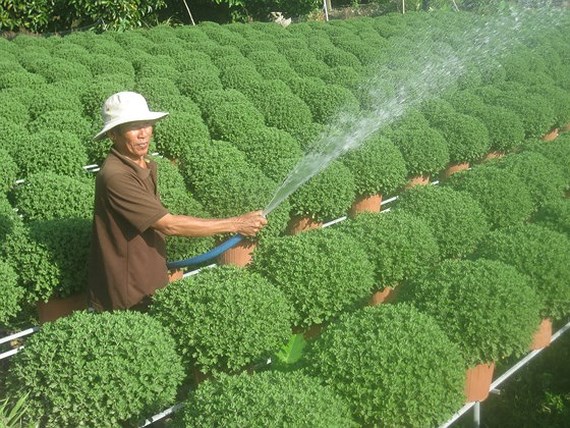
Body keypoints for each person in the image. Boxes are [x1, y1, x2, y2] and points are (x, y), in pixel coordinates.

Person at [88, 91, 267, 311]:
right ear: (114, 135)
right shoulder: (117, 176)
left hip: (149, 270)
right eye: (133, 127)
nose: (143, 133)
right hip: (130, 285)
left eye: (146, 124)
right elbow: (168, 224)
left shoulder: (142, 164)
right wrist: (237, 224)